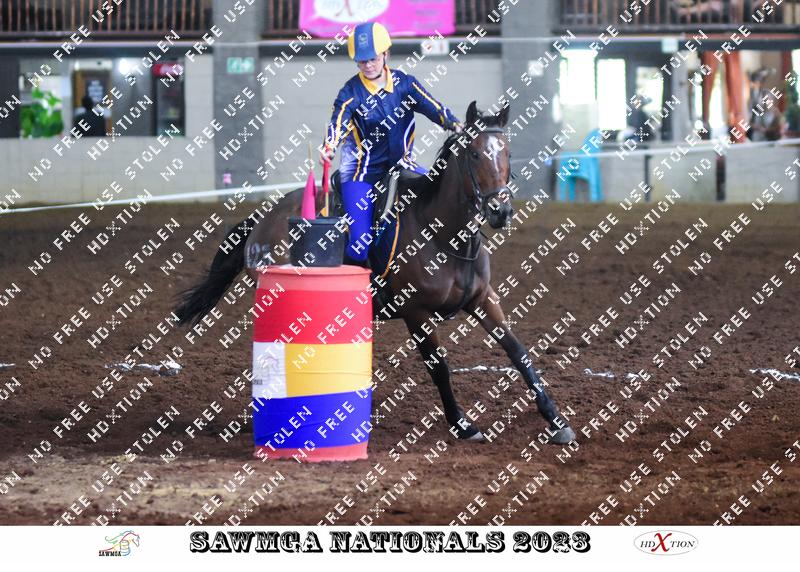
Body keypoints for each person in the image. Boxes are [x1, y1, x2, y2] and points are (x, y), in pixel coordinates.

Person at [320, 21, 463, 263]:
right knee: (360, 245)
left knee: (438, 192)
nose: (368, 65)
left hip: (403, 166)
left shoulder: (405, 84)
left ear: (386, 54)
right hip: (362, 173)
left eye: (373, 59)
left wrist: (456, 125)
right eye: (362, 61)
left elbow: (434, 108)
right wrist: (329, 146)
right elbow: (338, 122)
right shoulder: (350, 92)